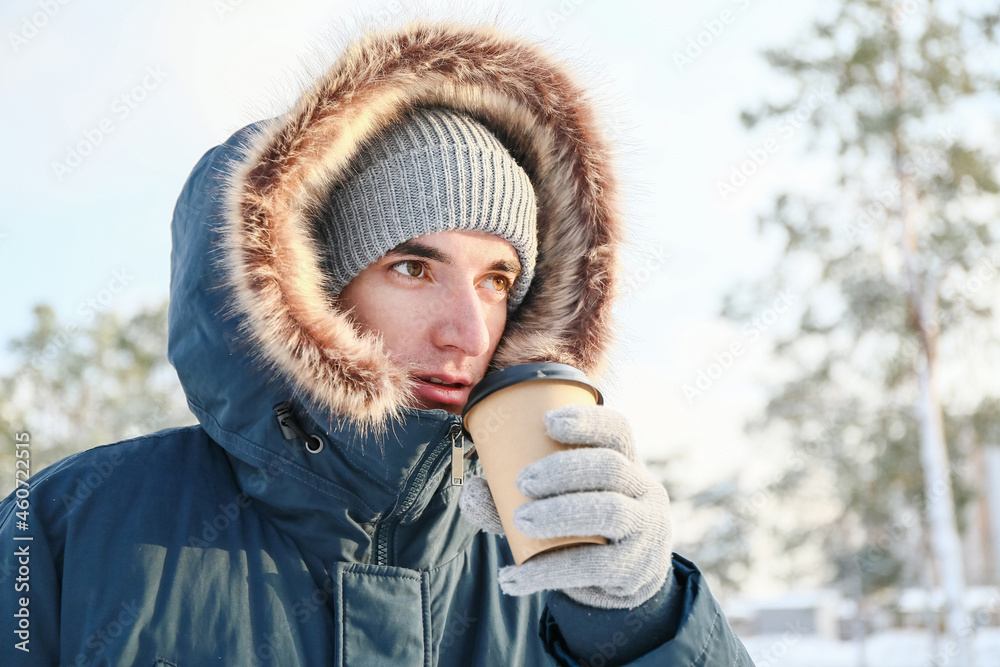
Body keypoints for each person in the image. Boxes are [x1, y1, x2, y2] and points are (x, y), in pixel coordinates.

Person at [0, 21, 753, 666]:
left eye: (498, 279)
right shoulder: (65, 532)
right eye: (413, 267)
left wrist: (640, 621)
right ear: (308, 283)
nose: (467, 329)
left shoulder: (555, 566)